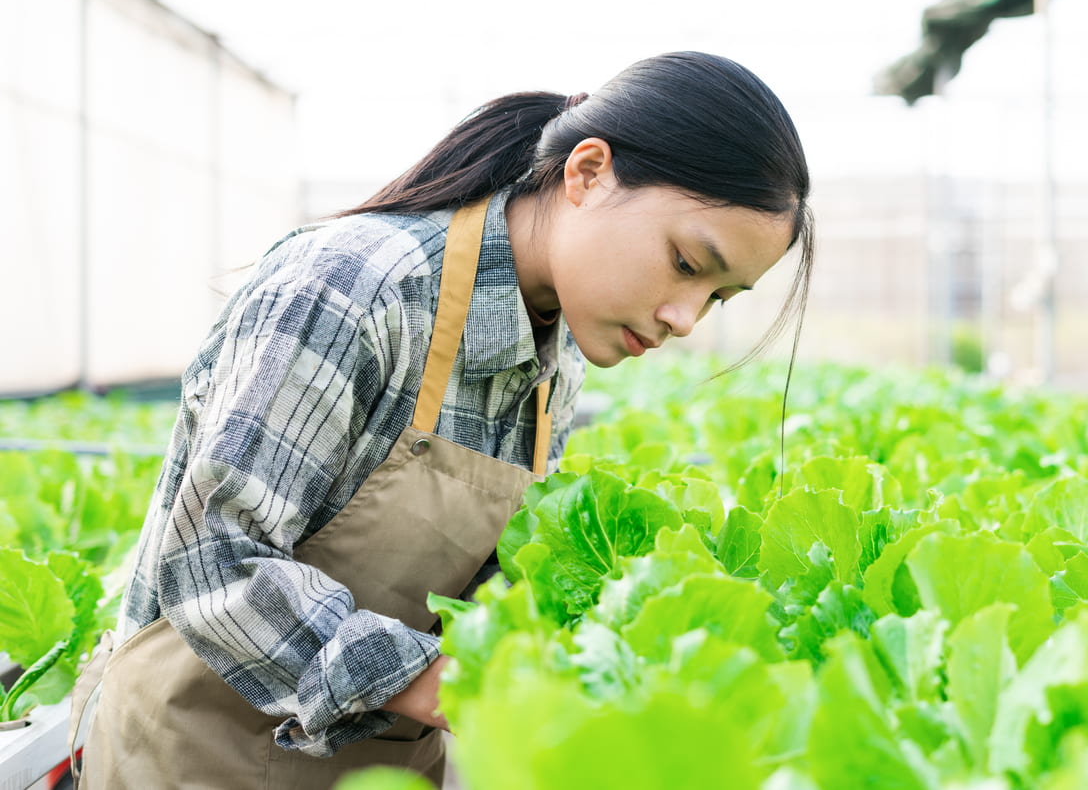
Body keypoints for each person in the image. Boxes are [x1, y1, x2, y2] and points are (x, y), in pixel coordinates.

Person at [77, 51, 814, 788]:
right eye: (687, 264)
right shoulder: (357, 291)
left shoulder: (560, 354)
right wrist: (458, 687)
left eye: (721, 298)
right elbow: (215, 559)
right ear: (587, 173)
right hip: (191, 756)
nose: (684, 319)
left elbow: (478, 587)